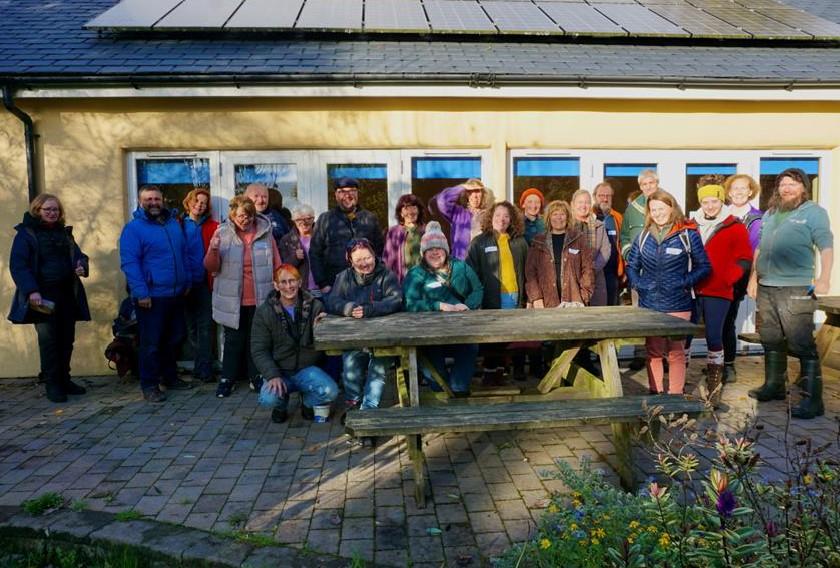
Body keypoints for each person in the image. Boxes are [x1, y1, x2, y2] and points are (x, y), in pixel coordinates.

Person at [747, 168, 833, 419]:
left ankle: (812, 400)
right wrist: (754, 277)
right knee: (771, 338)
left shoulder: (813, 213)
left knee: (801, 343)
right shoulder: (771, 213)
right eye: (783, 184)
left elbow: (826, 246)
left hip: (796, 287)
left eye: (793, 184)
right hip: (767, 287)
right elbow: (761, 247)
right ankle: (774, 386)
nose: (786, 188)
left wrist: (824, 277)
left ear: (803, 188)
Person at [626, 190, 710, 395]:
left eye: (661, 208)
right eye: (653, 209)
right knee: (653, 352)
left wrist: (683, 282)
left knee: (676, 352)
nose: (657, 213)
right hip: (650, 304)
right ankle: (655, 393)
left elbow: (705, 266)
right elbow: (632, 265)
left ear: (672, 207)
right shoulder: (643, 236)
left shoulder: (687, 235)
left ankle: (675, 395)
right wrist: (639, 284)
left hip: (678, 303)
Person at [9, 194, 90, 403]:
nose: (52, 213)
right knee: (49, 342)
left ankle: (65, 379)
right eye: (48, 210)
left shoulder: (64, 234)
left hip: (67, 294)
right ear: (38, 210)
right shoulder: (26, 235)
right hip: (42, 297)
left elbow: (79, 255)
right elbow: (19, 266)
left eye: (55, 210)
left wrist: (81, 265)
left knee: (66, 340)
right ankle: (52, 384)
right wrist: (31, 291)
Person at [120, 185, 193, 403]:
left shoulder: (173, 224)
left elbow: (183, 253)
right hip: (151, 296)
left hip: (176, 293)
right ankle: (149, 384)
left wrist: (187, 279)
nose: (153, 203)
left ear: (163, 200)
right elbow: (130, 263)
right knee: (151, 344)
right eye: (148, 199)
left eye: (157, 199)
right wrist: (141, 292)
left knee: (174, 338)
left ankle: (170, 377)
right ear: (140, 202)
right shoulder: (133, 229)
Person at [205, 195, 282, 398]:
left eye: (248, 216)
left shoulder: (266, 233)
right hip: (232, 299)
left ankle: (255, 377)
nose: (244, 220)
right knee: (233, 340)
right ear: (232, 215)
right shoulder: (222, 233)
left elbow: (277, 263)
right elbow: (211, 267)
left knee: (256, 340)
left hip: (260, 297)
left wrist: (280, 286)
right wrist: (213, 248)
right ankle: (227, 379)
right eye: (240, 216)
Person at [327, 239, 402, 432]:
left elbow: (396, 300)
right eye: (358, 259)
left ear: (374, 255)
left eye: (367, 257)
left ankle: (368, 411)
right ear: (350, 260)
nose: (364, 263)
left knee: (378, 369)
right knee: (350, 364)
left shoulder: (387, 275)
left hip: (383, 337)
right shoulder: (343, 277)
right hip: (355, 337)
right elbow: (332, 301)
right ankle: (354, 402)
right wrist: (348, 308)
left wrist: (370, 309)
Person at [251, 264, 338, 424]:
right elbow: (259, 350)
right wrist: (272, 375)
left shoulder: (315, 306)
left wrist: (323, 326)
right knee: (268, 398)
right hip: (280, 370)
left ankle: (307, 402)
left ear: (300, 282)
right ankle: (281, 406)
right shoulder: (264, 312)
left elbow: (326, 343)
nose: (288, 286)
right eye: (283, 282)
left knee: (331, 392)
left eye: (292, 281)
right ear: (276, 285)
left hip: (307, 369)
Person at [404, 221, 483, 395]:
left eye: (438, 248)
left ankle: (458, 388)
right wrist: (439, 305)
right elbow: (410, 303)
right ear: (423, 253)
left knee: (470, 347)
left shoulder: (461, 266)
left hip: (461, 329)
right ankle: (440, 388)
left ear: (446, 250)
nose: (435, 252)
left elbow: (477, 289)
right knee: (429, 357)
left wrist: (466, 307)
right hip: (429, 332)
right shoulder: (416, 274)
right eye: (430, 249)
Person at [690, 184, 752, 406]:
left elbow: (744, 258)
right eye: (705, 202)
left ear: (721, 201)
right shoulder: (692, 225)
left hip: (719, 290)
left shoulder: (734, 226)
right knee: (685, 335)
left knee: (714, 336)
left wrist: (728, 278)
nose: (710, 206)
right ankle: (683, 385)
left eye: (714, 201)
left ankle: (714, 384)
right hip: (693, 289)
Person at [467, 201, 528, 384]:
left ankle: (501, 374)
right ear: (490, 218)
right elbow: (470, 272)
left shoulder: (520, 242)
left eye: (506, 216)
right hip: (490, 297)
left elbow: (527, 270)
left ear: (512, 220)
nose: (502, 219)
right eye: (498, 215)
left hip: (513, 297)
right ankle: (490, 374)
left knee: (508, 336)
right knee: (491, 337)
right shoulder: (479, 242)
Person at [310, 177, 384, 294]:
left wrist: (377, 278)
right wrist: (323, 284)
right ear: (336, 195)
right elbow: (315, 253)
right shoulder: (325, 219)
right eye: (342, 192)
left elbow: (379, 251)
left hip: (366, 285)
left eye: (352, 191)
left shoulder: (370, 218)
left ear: (357, 194)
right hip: (334, 285)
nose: (347, 195)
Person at [721, 174, 763, 381]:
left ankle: (728, 365)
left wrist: (752, 278)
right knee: (714, 320)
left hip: (738, 276)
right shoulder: (720, 213)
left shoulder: (757, 219)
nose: (738, 192)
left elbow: (756, 250)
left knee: (727, 319)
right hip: (715, 276)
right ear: (728, 192)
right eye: (734, 188)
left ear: (750, 191)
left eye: (743, 188)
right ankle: (716, 362)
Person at [620, 171, 660, 370]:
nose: (648, 186)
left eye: (651, 182)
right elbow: (625, 237)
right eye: (644, 183)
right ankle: (639, 354)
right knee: (639, 312)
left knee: (662, 313)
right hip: (639, 271)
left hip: (662, 271)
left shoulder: (667, 202)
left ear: (657, 183)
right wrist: (630, 257)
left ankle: (661, 356)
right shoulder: (632, 208)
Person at [525, 200, 594, 309]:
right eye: (555, 214)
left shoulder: (579, 239)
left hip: (574, 302)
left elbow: (588, 269)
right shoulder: (538, 242)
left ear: (567, 218)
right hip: (545, 301)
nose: (559, 218)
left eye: (562, 214)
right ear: (549, 217)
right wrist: (536, 297)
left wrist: (583, 296)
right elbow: (530, 273)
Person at [181, 188, 219, 383]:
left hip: (205, 283)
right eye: (197, 201)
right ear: (189, 202)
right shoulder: (177, 224)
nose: (200, 205)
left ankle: (204, 368)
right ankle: (197, 364)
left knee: (205, 327)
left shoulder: (213, 226)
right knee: (189, 328)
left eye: (204, 202)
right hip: (183, 284)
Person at [431, 178, 494, 260]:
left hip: (483, 262)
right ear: (466, 195)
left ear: (483, 194)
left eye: (477, 191)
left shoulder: (490, 214)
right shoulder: (459, 213)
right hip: (461, 263)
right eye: (470, 192)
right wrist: (462, 187)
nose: (474, 196)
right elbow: (442, 201)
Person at [570, 190, 611, 307]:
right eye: (580, 202)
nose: (583, 206)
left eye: (587, 202)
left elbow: (605, 251)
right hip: (573, 279)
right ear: (572, 204)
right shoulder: (566, 227)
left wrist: (591, 270)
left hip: (596, 278)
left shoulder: (599, 226)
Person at [592, 181, 624, 306]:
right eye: (601, 195)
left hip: (612, 273)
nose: (605, 199)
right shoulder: (589, 216)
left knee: (611, 308)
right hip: (593, 272)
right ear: (595, 197)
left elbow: (622, 243)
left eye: (608, 196)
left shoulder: (618, 218)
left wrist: (624, 271)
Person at [383, 194, 427, 284]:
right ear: (401, 213)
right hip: (402, 279)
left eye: (414, 207)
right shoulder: (394, 232)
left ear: (419, 210)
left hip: (424, 278)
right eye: (406, 208)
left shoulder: (427, 230)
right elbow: (387, 260)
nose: (410, 212)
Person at [278, 203, 318, 296]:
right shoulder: (287, 240)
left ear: (313, 219)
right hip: (299, 289)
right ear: (294, 221)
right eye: (299, 219)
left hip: (321, 287)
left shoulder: (322, 237)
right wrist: (295, 257)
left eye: (308, 219)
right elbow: (283, 267)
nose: (304, 223)